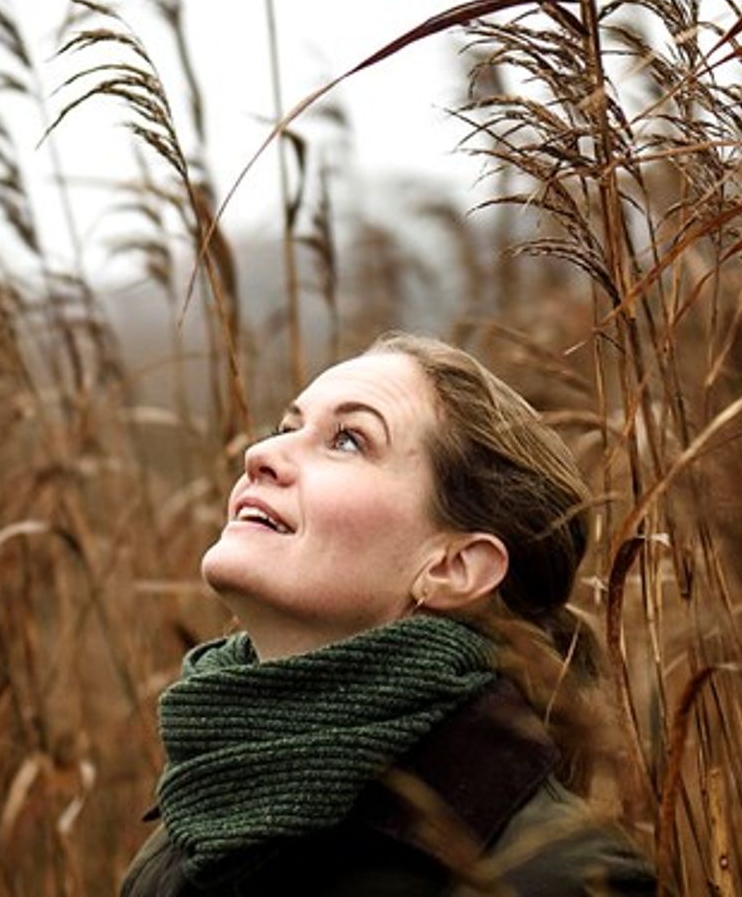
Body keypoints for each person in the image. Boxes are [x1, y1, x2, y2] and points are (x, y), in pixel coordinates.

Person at [121, 333, 658, 896]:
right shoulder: (190, 827)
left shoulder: (559, 878)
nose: (260, 456)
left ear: (453, 566)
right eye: (285, 428)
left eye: (348, 441)